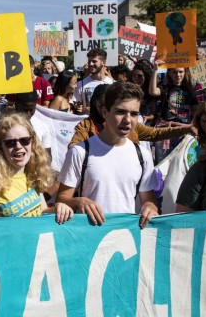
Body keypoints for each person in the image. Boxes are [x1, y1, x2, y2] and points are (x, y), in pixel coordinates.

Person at [57, 82, 159, 228]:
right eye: (120, 112)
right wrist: (80, 201)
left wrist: (150, 208)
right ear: (105, 112)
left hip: (125, 239)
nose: (128, 120)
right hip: (89, 238)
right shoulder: (80, 152)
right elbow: (62, 199)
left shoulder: (142, 155)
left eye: (134, 114)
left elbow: (148, 200)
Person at [0, 113, 73, 223]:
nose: (18, 146)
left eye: (24, 140)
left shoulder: (32, 171)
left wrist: (57, 208)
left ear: (32, 142)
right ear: (0, 147)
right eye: (10, 143)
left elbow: (41, 211)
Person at [68, 84, 194, 147]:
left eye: (134, 114)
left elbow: (155, 133)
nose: (127, 120)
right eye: (101, 105)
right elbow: (74, 147)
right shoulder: (85, 126)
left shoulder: (130, 125)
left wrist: (186, 129)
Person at [149, 66, 198, 163]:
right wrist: (155, 71)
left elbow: (196, 109)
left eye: (181, 72)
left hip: (183, 132)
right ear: (169, 73)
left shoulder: (190, 89)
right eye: (175, 72)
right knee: (162, 163)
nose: (178, 75)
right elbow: (153, 91)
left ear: (185, 72)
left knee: (180, 163)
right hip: (165, 131)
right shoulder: (165, 87)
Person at [73, 48, 114, 114]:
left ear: (103, 62)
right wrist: (79, 108)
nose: (91, 64)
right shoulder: (81, 84)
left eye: (94, 61)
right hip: (87, 123)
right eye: (89, 61)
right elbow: (76, 104)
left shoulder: (112, 84)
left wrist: (89, 109)